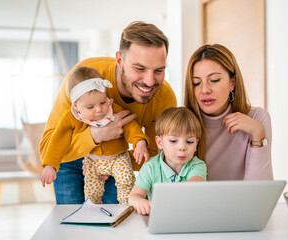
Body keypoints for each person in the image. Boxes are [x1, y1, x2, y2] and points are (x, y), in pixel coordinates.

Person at [39, 21, 177, 204]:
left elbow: (155, 156)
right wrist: (97, 136)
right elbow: (48, 149)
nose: (150, 81)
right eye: (140, 69)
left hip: (118, 157)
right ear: (119, 59)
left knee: (115, 221)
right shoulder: (82, 80)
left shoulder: (164, 98)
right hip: (71, 156)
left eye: (159, 70)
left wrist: (111, 161)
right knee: (73, 223)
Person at [41, 67, 150, 204]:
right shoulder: (70, 118)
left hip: (118, 157)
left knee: (126, 180)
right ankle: (92, 208)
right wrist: (50, 165)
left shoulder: (113, 109)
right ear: (76, 107)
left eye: (103, 102)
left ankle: (126, 204)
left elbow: (130, 127)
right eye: (90, 107)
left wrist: (139, 142)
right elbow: (58, 141)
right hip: (93, 160)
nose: (99, 110)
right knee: (92, 191)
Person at [184, 44, 273, 180]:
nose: (205, 90)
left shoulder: (257, 118)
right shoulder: (180, 124)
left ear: (232, 83)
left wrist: (258, 134)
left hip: (240, 202)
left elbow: (260, 192)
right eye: (196, 83)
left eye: (214, 80)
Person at [128, 107, 207, 215]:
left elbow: (196, 182)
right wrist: (141, 202)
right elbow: (133, 197)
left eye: (189, 141)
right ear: (160, 142)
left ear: (196, 145)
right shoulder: (151, 167)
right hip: (160, 217)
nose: (182, 147)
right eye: (174, 141)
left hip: (189, 216)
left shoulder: (197, 165)